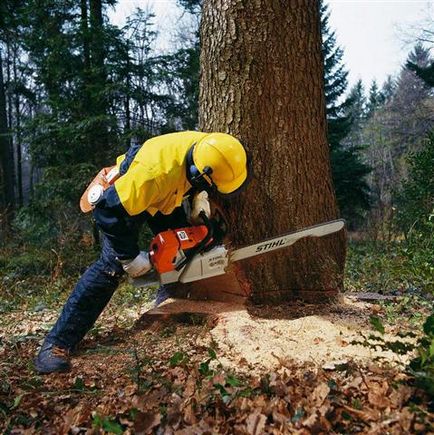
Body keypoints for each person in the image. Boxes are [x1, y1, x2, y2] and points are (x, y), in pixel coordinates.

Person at [34, 131, 249, 374]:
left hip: (169, 190)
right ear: (197, 173)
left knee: (180, 246)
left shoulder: (214, 148)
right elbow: (106, 213)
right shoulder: (149, 179)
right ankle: (57, 344)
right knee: (110, 267)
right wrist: (129, 257)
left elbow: (199, 174)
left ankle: (167, 303)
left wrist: (199, 196)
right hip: (127, 194)